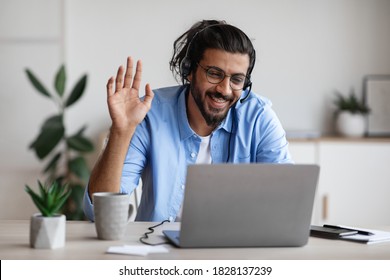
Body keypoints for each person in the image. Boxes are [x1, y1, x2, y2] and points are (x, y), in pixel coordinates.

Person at [83, 19, 293, 222]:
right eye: (214, 73)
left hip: (235, 253)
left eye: (237, 79)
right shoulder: (151, 115)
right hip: (159, 252)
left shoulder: (259, 117)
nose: (225, 90)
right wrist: (121, 131)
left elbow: (287, 203)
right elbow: (100, 213)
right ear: (189, 71)